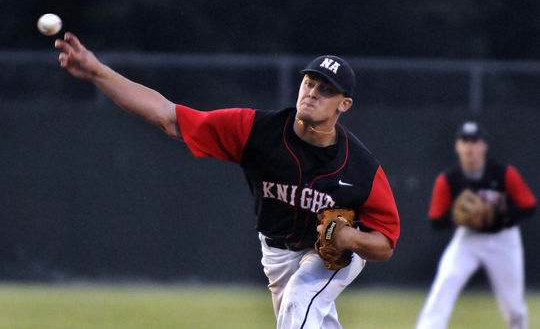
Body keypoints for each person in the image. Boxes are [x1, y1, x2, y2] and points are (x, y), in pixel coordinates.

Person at [55, 33, 400, 328]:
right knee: (300, 311)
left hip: (334, 254)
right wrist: (98, 72)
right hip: (277, 253)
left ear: (345, 104)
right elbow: (169, 118)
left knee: (301, 297)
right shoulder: (256, 131)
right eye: (309, 82)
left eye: (326, 90)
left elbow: (385, 244)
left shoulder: (360, 167)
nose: (312, 92)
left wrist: (347, 236)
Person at [416, 121, 537, 329]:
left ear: (483, 146)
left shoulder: (503, 173)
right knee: (445, 283)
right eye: (465, 141)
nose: (470, 147)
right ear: (457, 146)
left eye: (475, 141)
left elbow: (529, 207)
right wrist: (460, 218)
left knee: (514, 307)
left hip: (504, 239)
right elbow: (436, 221)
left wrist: (498, 216)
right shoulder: (449, 179)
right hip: (468, 238)